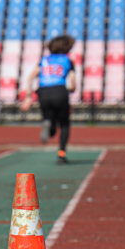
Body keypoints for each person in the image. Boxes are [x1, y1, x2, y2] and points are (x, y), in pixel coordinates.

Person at [23, 35, 76, 164]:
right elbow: (73, 83)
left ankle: (48, 124)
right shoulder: (67, 61)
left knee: (49, 118)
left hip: (44, 92)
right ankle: (61, 153)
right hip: (60, 91)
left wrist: (28, 97)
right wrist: (69, 91)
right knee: (64, 124)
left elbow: (30, 77)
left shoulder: (44, 60)